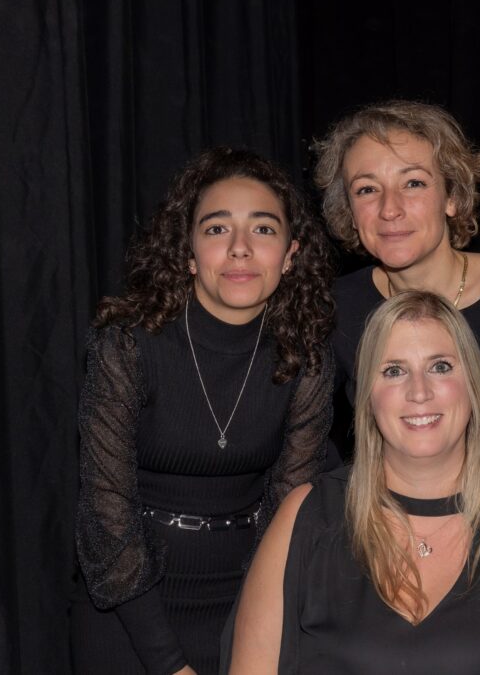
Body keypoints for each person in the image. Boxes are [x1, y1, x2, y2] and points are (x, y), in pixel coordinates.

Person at [224, 290, 480, 674]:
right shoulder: (308, 518)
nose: (419, 392)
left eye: (440, 366)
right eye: (394, 370)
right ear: (366, 397)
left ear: (473, 385)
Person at [72, 147, 335, 675]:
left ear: (290, 254)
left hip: (248, 598)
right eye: (217, 229)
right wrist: (170, 665)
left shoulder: (306, 357)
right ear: (189, 253)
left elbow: (289, 515)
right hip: (129, 609)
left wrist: (258, 630)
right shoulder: (127, 346)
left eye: (263, 229)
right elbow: (106, 515)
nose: (240, 248)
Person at [313, 101, 480, 493]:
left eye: (413, 183)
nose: (389, 209)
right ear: (350, 211)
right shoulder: (336, 309)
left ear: (451, 197)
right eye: (367, 189)